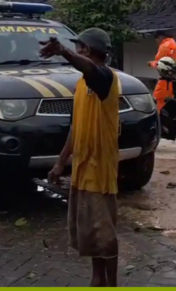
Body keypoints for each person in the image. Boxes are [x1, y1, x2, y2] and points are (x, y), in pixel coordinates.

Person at [44, 28, 121, 287]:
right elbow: (75, 127)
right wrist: (60, 162)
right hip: (82, 169)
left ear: (86, 50)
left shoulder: (107, 79)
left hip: (100, 173)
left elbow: (92, 70)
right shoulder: (80, 85)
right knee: (89, 233)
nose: (76, 51)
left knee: (105, 235)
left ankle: (112, 284)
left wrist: (63, 51)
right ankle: (97, 279)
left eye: (78, 47)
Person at [148, 32, 176, 112]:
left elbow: (160, 63)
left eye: (156, 40)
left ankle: (160, 117)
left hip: (168, 79)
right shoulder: (175, 46)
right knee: (175, 100)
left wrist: (151, 63)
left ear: (159, 37)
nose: (157, 43)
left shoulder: (164, 46)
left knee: (159, 98)